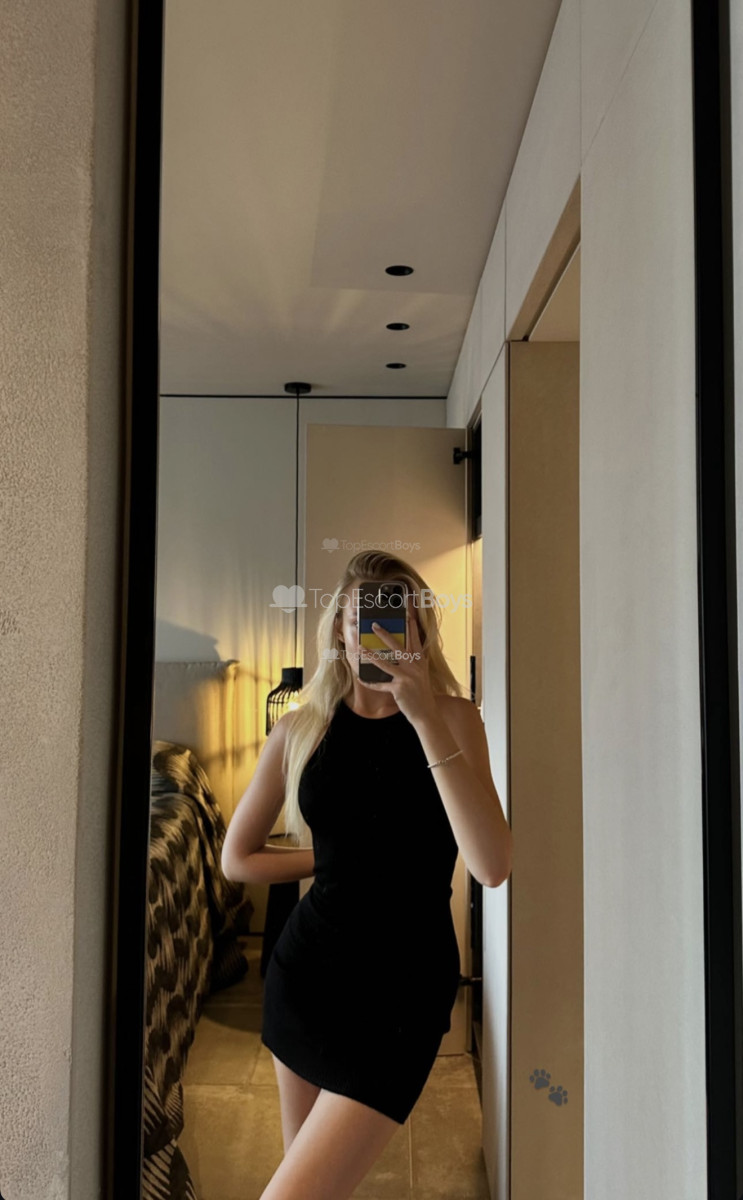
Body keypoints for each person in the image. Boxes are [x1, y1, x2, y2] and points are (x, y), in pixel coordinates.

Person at [221, 551, 512, 1200]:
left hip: (402, 996)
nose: (378, 635)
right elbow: (237, 858)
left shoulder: (454, 719)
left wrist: (423, 716)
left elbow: (492, 865)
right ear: (339, 630)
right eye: (364, 620)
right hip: (305, 980)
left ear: (421, 631)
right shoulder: (300, 729)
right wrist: (336, 859)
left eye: (396, 620)